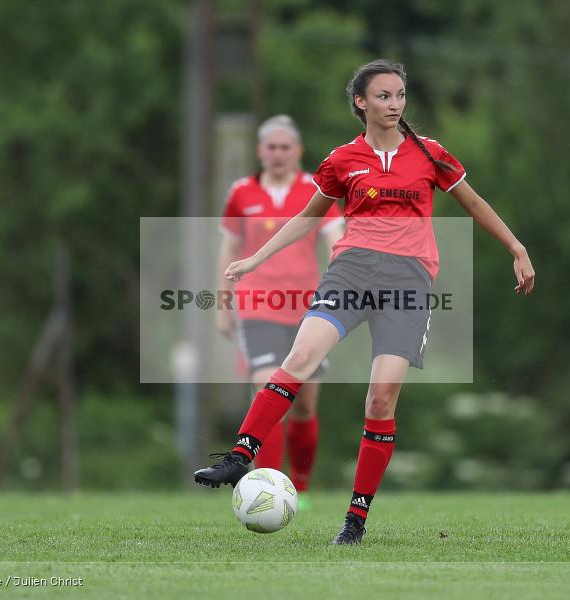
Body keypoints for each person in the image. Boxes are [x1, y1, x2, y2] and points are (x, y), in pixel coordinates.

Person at [195, 60, 535, 545]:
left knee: (379, 398)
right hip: (351, 271)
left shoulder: (431, 155)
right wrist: (255, 258)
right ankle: (239, 456)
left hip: (407, 283)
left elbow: (475, 204)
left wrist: (517, 248)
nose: (394, 104)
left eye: (399, 96)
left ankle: (355, 519)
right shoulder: (343, 159)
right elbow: (306, 218)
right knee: (301, 356)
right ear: (361, 102)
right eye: (383, 96)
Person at [216, 115, 344, 505]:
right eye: (270, 147)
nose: (277, 154)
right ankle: (267, 488)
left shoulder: (315, 189)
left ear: (297, 152)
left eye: (284, 147)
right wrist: (223, 304)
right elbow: (228, 249)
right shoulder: (242, 192)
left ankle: (299, 487)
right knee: (266, 387)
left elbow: (334, 238)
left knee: (303, 405)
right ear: (260, 151)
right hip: (257, 306)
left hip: (308, 309)